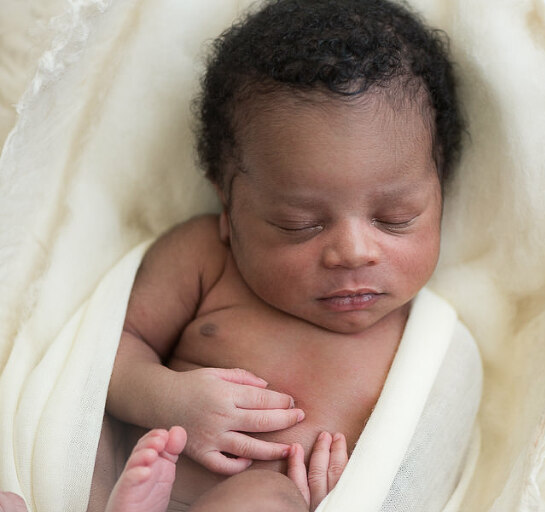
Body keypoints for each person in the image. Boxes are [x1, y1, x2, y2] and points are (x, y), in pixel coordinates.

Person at [0, 0, 464, 510]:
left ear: (440, 193)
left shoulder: (431, 344)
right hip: (119, 487)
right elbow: (96, 354)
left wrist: (351, 495)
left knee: (264, 495)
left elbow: (433, 472)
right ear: (230, 207)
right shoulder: (206, 259)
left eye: (395, 217)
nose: (353, 251)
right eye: (298, 224)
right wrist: (166, 397)